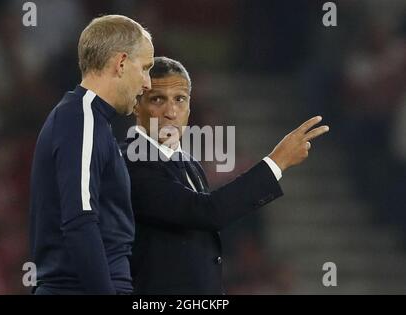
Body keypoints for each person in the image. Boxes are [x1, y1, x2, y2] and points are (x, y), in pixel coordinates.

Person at [122, 57, 329, 294]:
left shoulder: (188, 164)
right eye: (158, 99)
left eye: (179, 99)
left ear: (189, 107)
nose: (171, 111)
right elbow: (206, 212)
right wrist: (276, 162)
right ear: (136, 106)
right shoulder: (132, 161)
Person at [29, 15, 154, 295]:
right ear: (121, 63)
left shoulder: (92, 123)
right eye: (145, 68)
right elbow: (80, 220)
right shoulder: (80, 119)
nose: (147, 83)